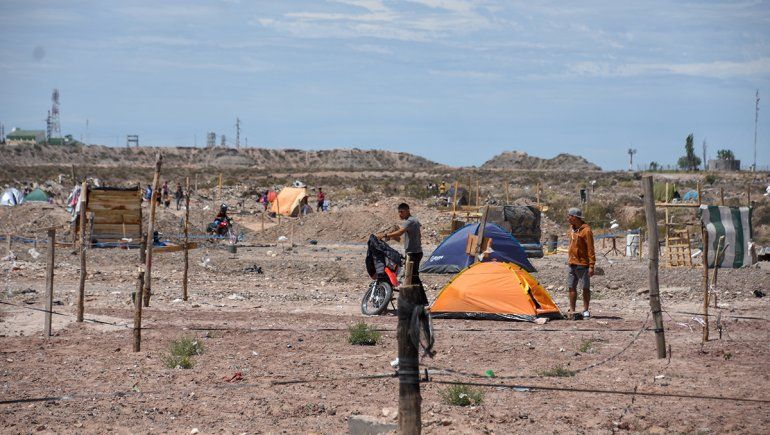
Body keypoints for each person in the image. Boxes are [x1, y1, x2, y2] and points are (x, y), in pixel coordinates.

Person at [378, 203, 428, 305]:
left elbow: (400, 232)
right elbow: (417, 234)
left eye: (402, 212)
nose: (400, 214)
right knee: (412, 277)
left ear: (407, 211)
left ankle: (422, 301)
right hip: (416, 252)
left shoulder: (410, 221)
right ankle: (416, 300)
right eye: (399, 212)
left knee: (413, 276)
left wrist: (385, 235)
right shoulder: (414, 221)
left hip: (413, 253)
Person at [566, 207, 596, 320]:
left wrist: (591, 265)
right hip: (571, 262)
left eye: (569, 216)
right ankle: (572, 309)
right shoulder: (571, 229)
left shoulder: (586, 230)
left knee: (585, 287)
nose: (568, 218)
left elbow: (590, 249)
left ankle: (586, 310)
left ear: (575, 217)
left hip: (583, 264)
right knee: (571, 287)